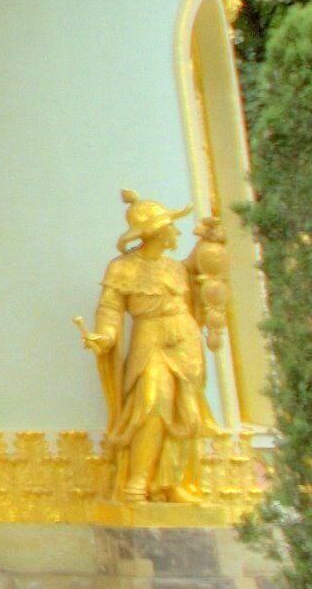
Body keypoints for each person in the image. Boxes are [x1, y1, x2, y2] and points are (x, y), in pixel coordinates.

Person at [79, 191, 212, 504]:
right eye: (171, 227)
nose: (176, 233)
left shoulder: (176, 268)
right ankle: (137, 480)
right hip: (149, 338)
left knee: (186, 409)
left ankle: (170, 483)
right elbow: (110, 307)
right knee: (152, 404)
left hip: (185, 338)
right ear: (157, 232)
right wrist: (105, 335)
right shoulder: (122, 268)